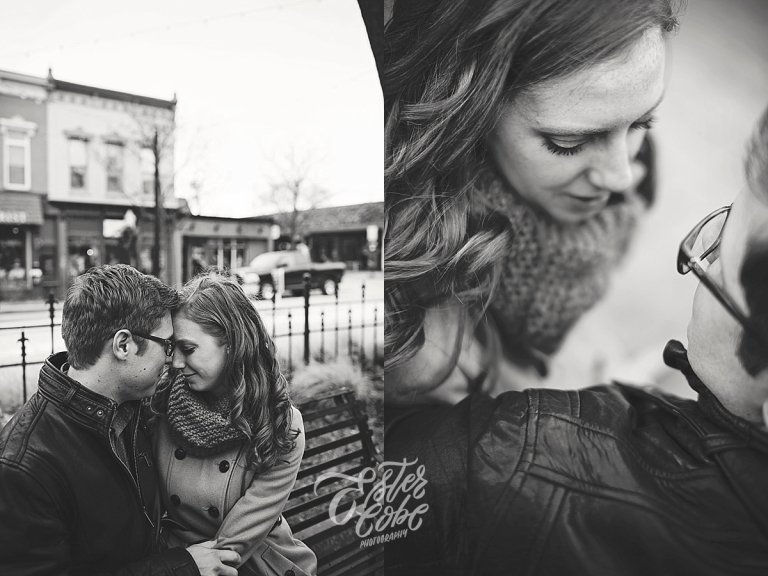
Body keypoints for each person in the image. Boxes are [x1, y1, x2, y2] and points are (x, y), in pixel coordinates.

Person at [383, 105, 768, 574]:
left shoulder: (515, 449)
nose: (623, 174)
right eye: (569, 143)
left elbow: (357, 500)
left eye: (715, 259)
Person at [384, 0, 680, 404]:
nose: (621, 176)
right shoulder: (425, 347)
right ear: (472, 113)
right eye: (568, 143)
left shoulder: (611, 208)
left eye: (641, 123)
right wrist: (601, 412)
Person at [0, 264, 240, 576]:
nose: (173, 360)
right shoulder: (24, 466)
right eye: (167, 345)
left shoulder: (133, 406)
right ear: (123, 345)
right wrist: (179, 568)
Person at [150, 270, 317, 576]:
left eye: (188, 349)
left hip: (255, 565)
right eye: (173, 349)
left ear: (232, 343)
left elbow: (231, 547)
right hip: (177, 560)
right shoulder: (161, 404)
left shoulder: (280, 423)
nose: (175, 363)